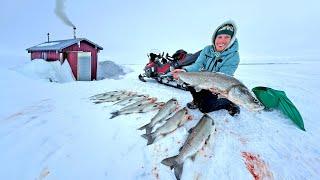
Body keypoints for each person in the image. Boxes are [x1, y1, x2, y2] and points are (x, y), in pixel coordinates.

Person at [172, 20, 240, 116]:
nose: (222, 40)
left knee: (205, 108)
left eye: (227, 37)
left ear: (232, 39)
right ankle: (196, 100)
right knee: (189, 81)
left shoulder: (233, 56)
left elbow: (224, 75)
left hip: (218, 84)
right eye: (219, 37)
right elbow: (197, 65)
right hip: (205, 79)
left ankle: (229, 103)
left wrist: (216, 88)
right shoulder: (207, 49)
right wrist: (184, 71)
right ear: (214, 38)